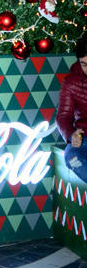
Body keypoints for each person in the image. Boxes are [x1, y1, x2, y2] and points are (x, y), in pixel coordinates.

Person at [56, 34, 87, 183]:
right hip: (84, 138)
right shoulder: (71, 82)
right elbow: (63, 116)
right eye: (84, 64)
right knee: (72, 157)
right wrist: (71, 135)